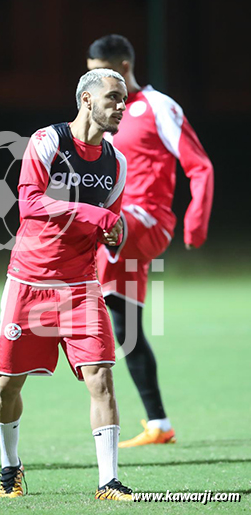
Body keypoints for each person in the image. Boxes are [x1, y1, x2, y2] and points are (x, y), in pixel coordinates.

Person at [0, 69, 135, 501]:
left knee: (102, 378)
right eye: (113, 98)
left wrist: (116, 232)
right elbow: (30, 203)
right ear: (87, 101)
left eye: (124, 99)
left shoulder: (117, 162)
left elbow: (111, 223)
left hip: (80, 287)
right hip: (29, 283)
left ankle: (108, 482)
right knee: (7, 385)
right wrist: (101, 219)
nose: (122, 106)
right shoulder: (48, 142)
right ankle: (10, 466)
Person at [87, 34, 214, 447]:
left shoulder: (157, 107)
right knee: (127, 330)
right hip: (122, 232)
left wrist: (195, 223)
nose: (93, 87)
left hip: (147, 222)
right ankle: (159, 423)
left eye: (99, 76)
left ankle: (58, 305)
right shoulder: (103, 115)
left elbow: (200, 166)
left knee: (85, 232)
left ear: (122, 69)